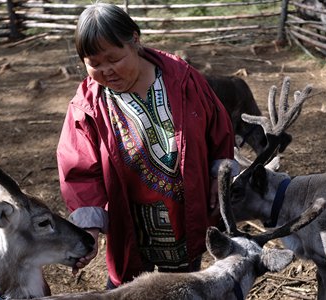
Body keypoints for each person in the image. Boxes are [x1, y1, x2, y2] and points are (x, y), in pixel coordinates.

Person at [56, 2, 239, 289]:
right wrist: (89, 226)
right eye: (94, 64)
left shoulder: (183, 81)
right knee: (127, 292)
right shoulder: (87, 107)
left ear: (135, 41)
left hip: (185, 220)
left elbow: (218, 131)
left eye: (114, 59)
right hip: (129, 228)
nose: (106, 71)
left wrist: (219, 174)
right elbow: (79, 170)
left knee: (181, 289)